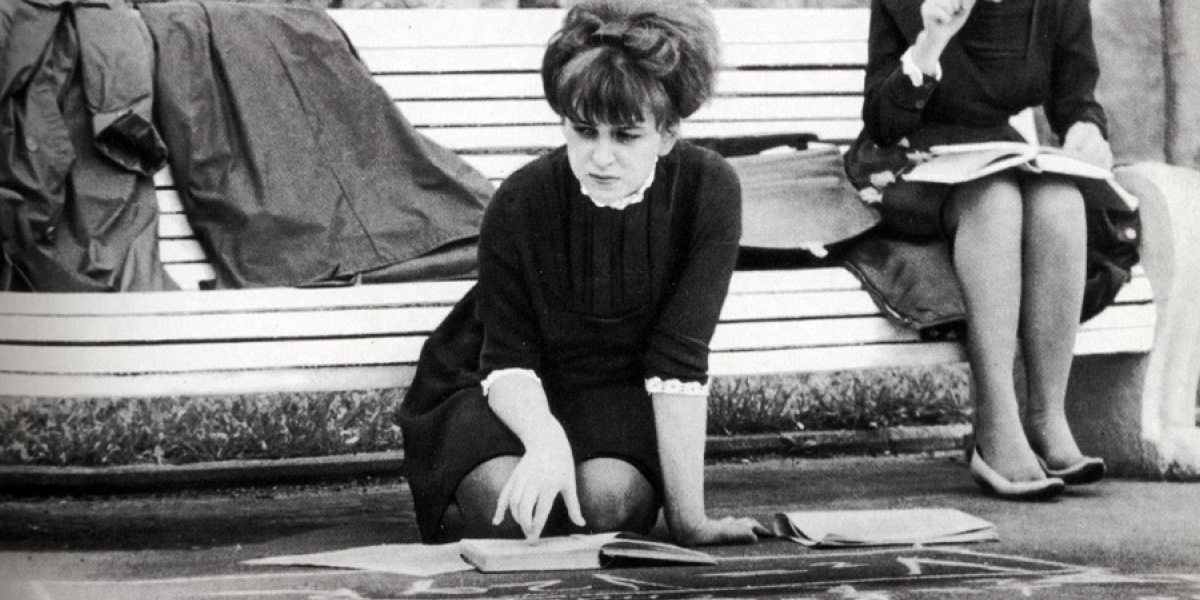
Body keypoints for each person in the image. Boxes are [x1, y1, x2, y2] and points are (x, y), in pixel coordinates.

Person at [398, 0, 767, 544]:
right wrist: (544, 439)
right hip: (503, 382)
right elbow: (507, 357)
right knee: (506, 509)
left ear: (667, 133)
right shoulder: (521, 199)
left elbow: (679, 361)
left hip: (618, 388)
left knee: (606, 504)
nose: (601, 157)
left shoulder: (707, 190)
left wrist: (690, 522)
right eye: (584, 130)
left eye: (626, 136)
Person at [850, 0, 1112, 499]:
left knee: (1060, 200)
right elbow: (882, 121)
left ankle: (1047, 417)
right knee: (994, 200)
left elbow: (1076, 95)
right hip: (905, 160)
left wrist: (1086, 129)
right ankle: (996, 426)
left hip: (995, 151)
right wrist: (930, 42)